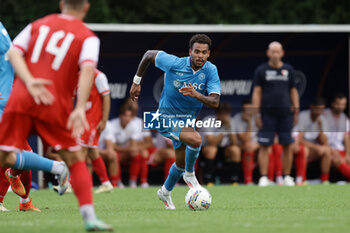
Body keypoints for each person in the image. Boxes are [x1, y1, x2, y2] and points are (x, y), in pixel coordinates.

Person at [0, 0, 112, 230]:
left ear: (61, 4)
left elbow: (13, 54)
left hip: (21, 97)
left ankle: (52, 170)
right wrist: (80, 107)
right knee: (75, 159)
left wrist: (29, 82)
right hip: (53, 103)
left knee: (4, 155)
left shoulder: (37, 25)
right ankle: (89, 215)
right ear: (86, 7)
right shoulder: (88, 37)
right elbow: (88, 70)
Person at [130, 34, 220, 209]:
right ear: (190, 52)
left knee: (179, 164)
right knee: (196, 140)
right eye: (196, 52)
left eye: (203, 52)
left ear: (208, 54)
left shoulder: (210, 70)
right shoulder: (175, 63)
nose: (200, 56)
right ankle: (190, 174)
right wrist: (136, 82)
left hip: (187, 121)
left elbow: (215, 102)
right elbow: (149, 54)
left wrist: (197, 94)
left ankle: (164, 191)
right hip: (166, 118)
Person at [0, 21, 68, 212]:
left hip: (7, 103)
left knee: (10, 155)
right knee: (14, 154)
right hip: (9, 101)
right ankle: (25, 196)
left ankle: (23, 198)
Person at [252, 41, 299, 187]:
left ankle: (286, 176)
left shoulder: (288, 69)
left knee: (288, 145)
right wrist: (256, 114)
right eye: (273, 51)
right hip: (267, 114)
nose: (275, 54)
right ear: (268, 53)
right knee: (264, 145)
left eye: (278, 52)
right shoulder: (261, 70)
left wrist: (296, 110)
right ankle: (264, 177)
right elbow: (257, 92)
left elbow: (293, 90)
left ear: (282, 53)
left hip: (285, 114)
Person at [79, 69, 113, 193]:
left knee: (80, 151)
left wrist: (104, 120)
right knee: (92, 152)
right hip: (83, 120)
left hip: (93, 120)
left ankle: (72, 183)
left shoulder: (99, 76)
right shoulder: (79, 75)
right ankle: (106, 183)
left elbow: (106, 98)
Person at [201, 102, 241, 186]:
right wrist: (223, 130)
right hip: (207, 149)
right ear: (217, 114)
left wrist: (229, 128)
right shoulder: (208, 121)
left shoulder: (231, 121)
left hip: (224, 149)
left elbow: (234, 142)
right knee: (212, 149)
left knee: (235, 150)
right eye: (222, 114)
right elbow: (212, 143)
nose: (224, 117)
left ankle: (234, 179)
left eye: (226, 114)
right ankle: (208, 180)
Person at [103, 107, 144, 188]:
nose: (127, 118)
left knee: (136, 154)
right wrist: (128, 149)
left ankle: (133, 182)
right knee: (115, 155)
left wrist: (130, 149)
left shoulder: (133, 125)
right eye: (125, 116)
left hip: (125, 152)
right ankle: (117, 181)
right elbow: (112, 146)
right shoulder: (112, 124)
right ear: (120, 116)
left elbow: (133, 145)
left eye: (129, 116)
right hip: (115, 151)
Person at [297, 98, 331, 183]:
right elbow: (299, 139)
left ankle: (324, 180)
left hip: (314, 149)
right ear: (312, 107)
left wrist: (320, 128)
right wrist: (316, 147)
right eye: (317, 109)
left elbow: (325, 142)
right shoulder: (303, 116)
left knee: (327, 150)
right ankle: (302, 180)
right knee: (304, 150)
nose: (319, 112)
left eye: (321, 109)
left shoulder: (322, 119)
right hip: (303, 147)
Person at [323, 93, 350, 181]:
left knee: (347, 160)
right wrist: (333, 151)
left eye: (343, 104)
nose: (340, 107)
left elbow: (346, 138)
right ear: (333, 103)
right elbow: (321, 138)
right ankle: (324, 181)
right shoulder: (324, 115)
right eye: (338, 104)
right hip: (327, 149)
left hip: (340, 149)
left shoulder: (345, 118)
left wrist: (347, 154)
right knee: (338, 160)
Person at [233, 99, 259, 185]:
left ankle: (269, 178)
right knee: (248, 146)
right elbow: (245, 139)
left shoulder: (258, 118)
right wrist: (249, 122)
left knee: (269, 148)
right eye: (245, 109)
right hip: (242, 144)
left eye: (249, 109)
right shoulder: (237, 118)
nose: (247, 111)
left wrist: (257, 144)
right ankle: (248, 180)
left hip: (258, 143)